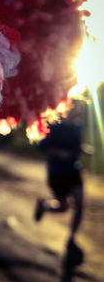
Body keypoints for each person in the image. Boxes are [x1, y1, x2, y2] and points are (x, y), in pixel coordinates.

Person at [34, 101, 86, 244]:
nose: (79, 110)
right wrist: (57, 152)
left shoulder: (77, 127)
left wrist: (82, 150)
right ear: (69, 106)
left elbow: (76, 146)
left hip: (73, 170)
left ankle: (72, 238)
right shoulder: (55, 124)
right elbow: (41, 145)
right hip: (57, 172)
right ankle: (43, 207)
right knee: (63, 207)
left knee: (80, 203)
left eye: (80, 107)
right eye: (77, 106)